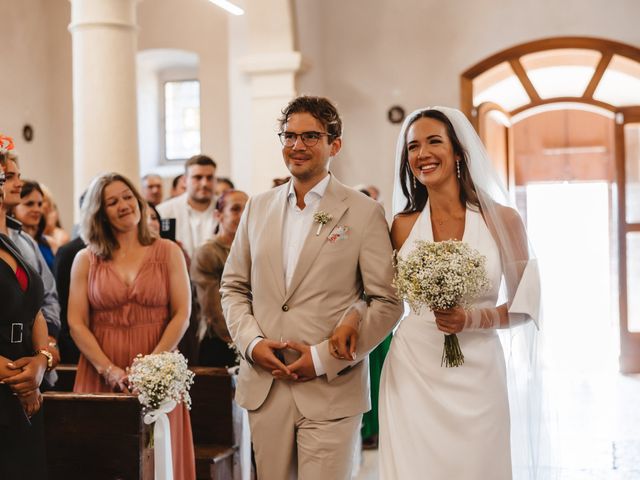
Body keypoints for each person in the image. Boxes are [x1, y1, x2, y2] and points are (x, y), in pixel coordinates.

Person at [220, 95, 402, 480]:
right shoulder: (257, 206)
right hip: (266, 386)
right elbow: (233, 287)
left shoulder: (363, 211)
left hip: (331, 387)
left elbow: (386, 300)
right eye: (289, 136)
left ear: (334, 144)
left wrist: (322, 359)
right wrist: (252, 344)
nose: (297, 146)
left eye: (310, 136)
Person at [377, 107, 542, 479]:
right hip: (413, 370)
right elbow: (381, 298)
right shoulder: (400, 226)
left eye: (434, 141)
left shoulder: (503, 220)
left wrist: (472, 319)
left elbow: (527, 304)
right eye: (413, 146)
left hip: (478, 372)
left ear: (458, 153)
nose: (423, 154)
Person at [68, 172, 196, 479]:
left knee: (157, 456)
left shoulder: (168, 251)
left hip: (158, 367)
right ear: (100, 212)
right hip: (101, 369)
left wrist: (151, 370)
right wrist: (108, 369)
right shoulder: (86, 259)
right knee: (103, 458)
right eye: (112, 201)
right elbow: (76, 322)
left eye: (127, 196)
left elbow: (182, 314)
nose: (124, 205)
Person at [0, 151, 50, 479]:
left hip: (23, 376)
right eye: (10, 175)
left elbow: (35, 310)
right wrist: (18, 380)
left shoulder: (14, 242)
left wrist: (40, 362)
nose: (20, 182)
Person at [0, 153, 61, 375]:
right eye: (7, 177)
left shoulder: (24, 239)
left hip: (31, 356)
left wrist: (44, 351)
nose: (18, 184)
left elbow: (43, 297)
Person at [191, 189, 248, 367]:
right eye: (235, 209)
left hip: (251, 337)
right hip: (219, 340)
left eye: (247, 209)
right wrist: (244, 340)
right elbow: (212, 309)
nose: (242, 215)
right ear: (218, 215)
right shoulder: (208, 252)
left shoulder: (255, 248)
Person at [157, 155, 217, 258]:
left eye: (209, 178)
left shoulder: (226, 209)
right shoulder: (164, 211)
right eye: (198, 177)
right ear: (185, 180)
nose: (204, 183)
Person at [12, 180, 56, 271]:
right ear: (13, 207)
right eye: (29, 204)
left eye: (39, 204)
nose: (37, 209)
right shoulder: (10, 242)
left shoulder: (49, 243)